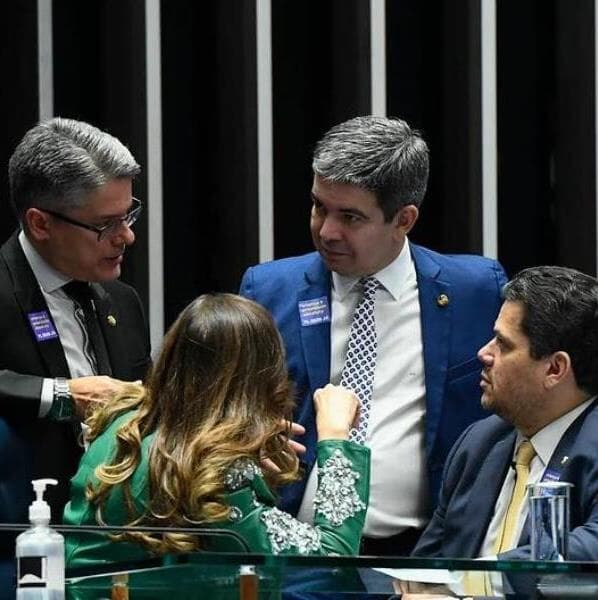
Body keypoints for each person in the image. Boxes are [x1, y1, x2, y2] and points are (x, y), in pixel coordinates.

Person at [240, 115, 507, 555]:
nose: (327, 231)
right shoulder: (268, 291)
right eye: (319, 207)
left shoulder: (475, 291)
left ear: (404, 219)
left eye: (350, 217)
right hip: (296, 554)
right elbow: (225, 420)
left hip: (422, 556)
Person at [63, 293, 369, 567]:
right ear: (263, 380)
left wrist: (244, 445)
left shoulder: (121, 420)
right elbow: (332, 556)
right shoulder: (219, 471)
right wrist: (335, 438)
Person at [0, 117, 151, 521]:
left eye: (128, 215)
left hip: (118, 535)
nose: (127, 236)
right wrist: (63, 396)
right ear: (40, 223)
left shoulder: (123, 301)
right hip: (25, 535)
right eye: (105, 224)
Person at [412, 266, 598, 561]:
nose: (484, 353)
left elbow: (590, 548)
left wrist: (482, 580)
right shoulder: (478, 443)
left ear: (555, 369)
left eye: (503, 344)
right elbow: (425, 566)